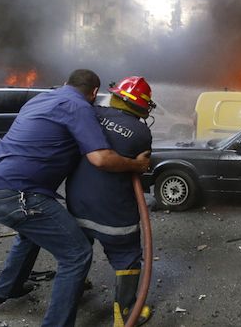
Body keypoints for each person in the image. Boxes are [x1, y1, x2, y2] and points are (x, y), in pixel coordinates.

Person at [0, 69, 150, 327]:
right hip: (18, 195)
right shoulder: (79, 108)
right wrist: (135, 164)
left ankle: (4, 290)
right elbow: (100, 158)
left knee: (30, 233)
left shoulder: (41, 99)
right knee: (77, 254)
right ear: (95, 92)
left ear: (66, 83)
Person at [66, 76, 154, 327]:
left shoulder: (89, 113)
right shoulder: (140, 132)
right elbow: (142, 165)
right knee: (127, 256)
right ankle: (126, 313)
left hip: (77, 203)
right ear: (142, 106)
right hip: (113, 212)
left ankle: (74, 292)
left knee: (77, 251)